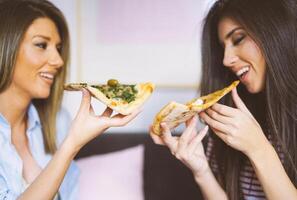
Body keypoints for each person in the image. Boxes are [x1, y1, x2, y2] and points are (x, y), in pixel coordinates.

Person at [150, 0, 297, 199]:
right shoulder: (233, 121)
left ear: (276, 31)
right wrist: (202, 172)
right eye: (223, 47)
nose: (226, 60)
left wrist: (259, 149)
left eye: (238, 39)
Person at [0, 0, 140, 199]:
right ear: (6, 46)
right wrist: (72, 144)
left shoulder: (58, 121)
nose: (58, 61)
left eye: (58, 48)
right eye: (41, 45)